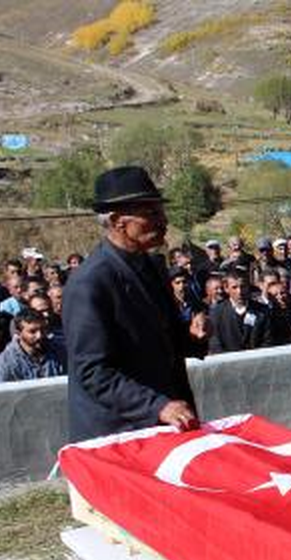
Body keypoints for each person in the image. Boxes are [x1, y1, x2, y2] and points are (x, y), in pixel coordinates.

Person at [63, 166, 205, 441]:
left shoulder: (151, 266)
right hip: (118, 436)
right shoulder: (89, 283)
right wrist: (158, 406)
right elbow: (93, 372)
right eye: (151, 213)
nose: (163, 220)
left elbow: (161, 341)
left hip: (165, 427)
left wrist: (193, 336)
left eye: (161, 212)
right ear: (118, 220)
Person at [208, 271, 270, 353]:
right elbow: (215, 343)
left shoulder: (262, 311)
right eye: (234, 287)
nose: (240, 292)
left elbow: (268, 340)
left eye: (243, 286)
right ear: (226, 288)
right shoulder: (216, 313)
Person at [0, 310, 66, 382]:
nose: (39, 336)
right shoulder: (5, 362)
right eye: (32, 332)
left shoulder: (59, 351)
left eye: (43, 329)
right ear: (18, 333)